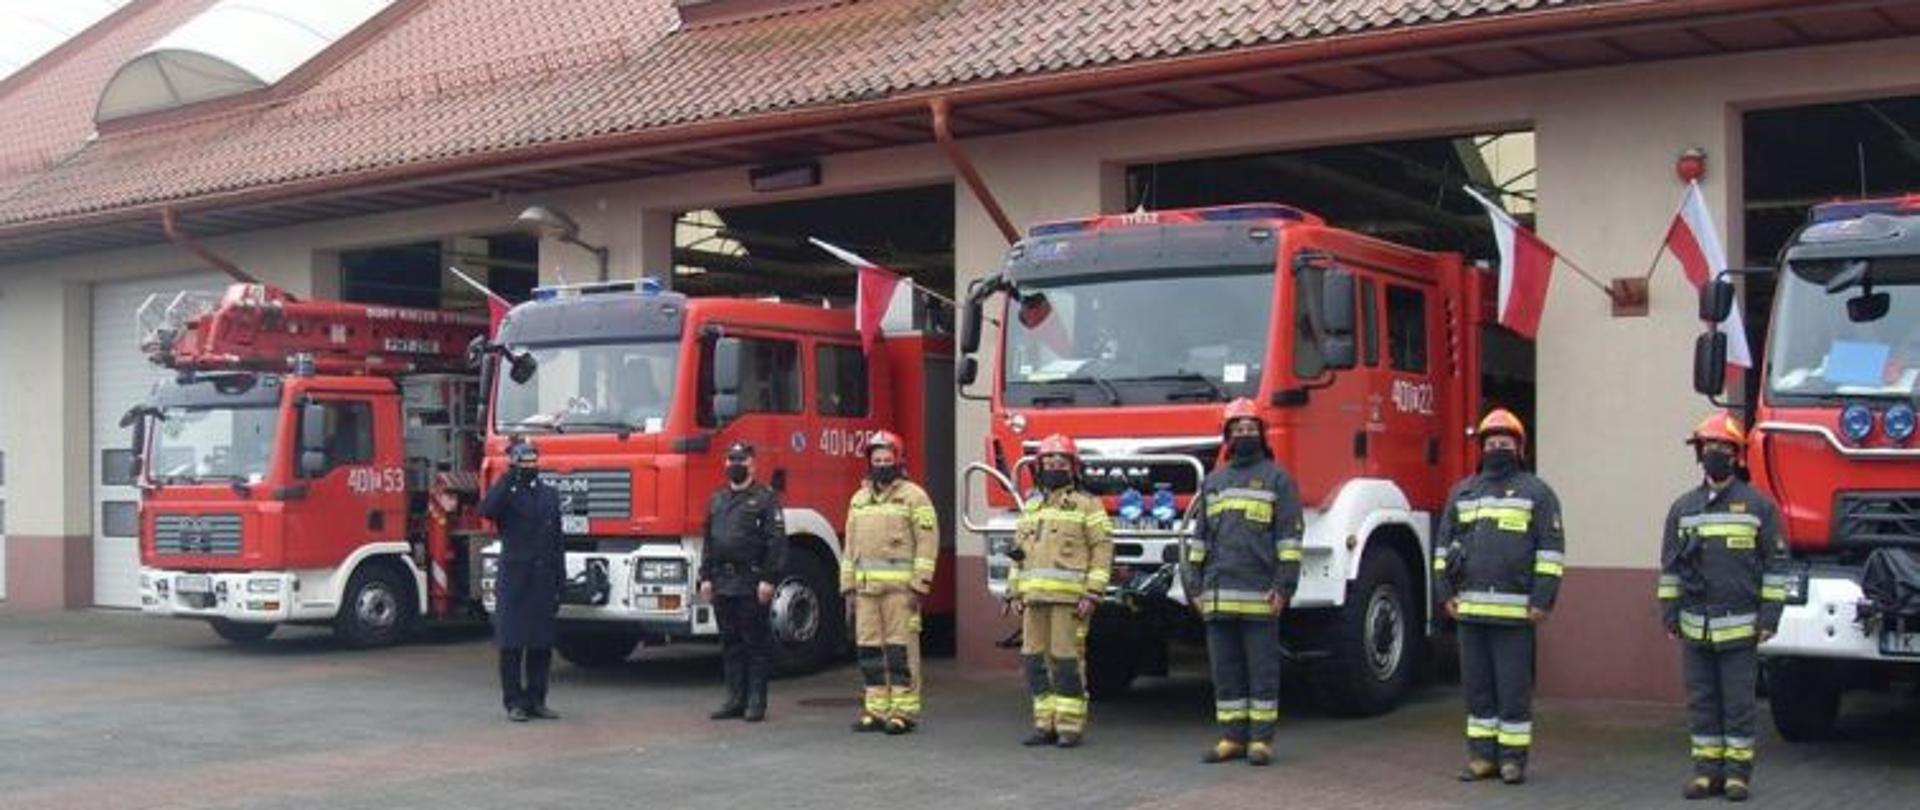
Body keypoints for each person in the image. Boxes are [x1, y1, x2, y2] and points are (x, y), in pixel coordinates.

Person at [1657, 412, 1788, 803]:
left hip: (1741, 629)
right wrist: (1669, 613)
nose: (1715, 453)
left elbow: (1775, 568)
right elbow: (1670, 568)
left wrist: (1770, 617)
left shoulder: (1759, 507)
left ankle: (1737, 776)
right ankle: (1706, 773)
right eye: (1709, 447)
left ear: (1737, 456)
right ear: (1699, 453)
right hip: (1696, 627)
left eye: (1724, 449)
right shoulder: (1682, 508)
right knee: (1701, 702)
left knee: (1738, 705)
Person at [1433, 408, 1565, 785]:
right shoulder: (1463, 492)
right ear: (1481, 448)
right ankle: (1481, 758)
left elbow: (1551, 552)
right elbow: (1443, 548)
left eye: (1504, 442)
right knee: (1476, 691)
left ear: (1518, 448)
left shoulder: (1537, 493)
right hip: (1470, 611)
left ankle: (1512, 761)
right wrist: (1445, 594)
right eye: (1491, 443)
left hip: (1515, 614)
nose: (1497, 448)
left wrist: (1542, 599)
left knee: (1513, 690)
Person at [1183, 398, 1304, 767]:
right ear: (1228, 437)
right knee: (1226, 673)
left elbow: (1289, 541)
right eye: (1238, 430)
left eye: (1250, 429)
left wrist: (1284, 588)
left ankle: (1261, 740)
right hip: (1217, 598)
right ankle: (1232, 737)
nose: (1244, 434)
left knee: (1262, 671)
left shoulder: (1278, 479)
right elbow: (1198, 540)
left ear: (1262, 434)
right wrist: (1194, 588)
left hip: (1260, 597)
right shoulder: (1214, 482)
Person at [1007, 434, 1113, 749]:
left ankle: (1069, 726)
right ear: (1039, 468)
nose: (1054, 468)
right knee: (1034, 662)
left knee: (1066, 662)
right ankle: (1044, 724)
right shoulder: (1032, 505)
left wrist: (1092, 593)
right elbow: (1019, 552)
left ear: (1074, 467)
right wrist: (1013, 592)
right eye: (1049, 463)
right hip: (1033, 599)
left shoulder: (1087, 505)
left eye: (1060, 463)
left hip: (1069, 601)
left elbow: (1102, 549)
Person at [841, 431, 938, 734]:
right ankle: (876, 710)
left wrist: (919, 585)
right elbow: (850, 547)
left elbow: (927, 541)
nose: (882, 464)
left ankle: (903, 712)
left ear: (898, 461)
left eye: (887, 459)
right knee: (870, 651)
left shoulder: (914, 496)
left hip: (900, 593)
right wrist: (848, 587)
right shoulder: (859, 499)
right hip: (866, 592)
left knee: (900, 652)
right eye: (877, 460)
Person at [699, 441, 787, 723]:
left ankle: (756, 701)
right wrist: (705, 577)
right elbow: (709, 541)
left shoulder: (765, 498)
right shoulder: (717, 499)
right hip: (722, 581)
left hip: (751, 580)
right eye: (731, 460)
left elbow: (776, 542)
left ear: (752, 464)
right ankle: (734, 699)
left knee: (754, 644)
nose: (735, 465)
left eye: (741, 460)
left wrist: (768, 578)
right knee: (730, 642)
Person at [480, 439, 565, 722]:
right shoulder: (508, 493)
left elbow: (557, 541)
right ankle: (514, 701)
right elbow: (487, 510)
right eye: (524, 463)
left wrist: (560, 582)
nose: (530, 467)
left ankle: (537, 699)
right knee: (512, 643)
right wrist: (507, 477)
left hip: (543, 577)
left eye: (533, 462)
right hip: (516, 577)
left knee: (541, 644)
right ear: (515, 464)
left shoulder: (549, 495)